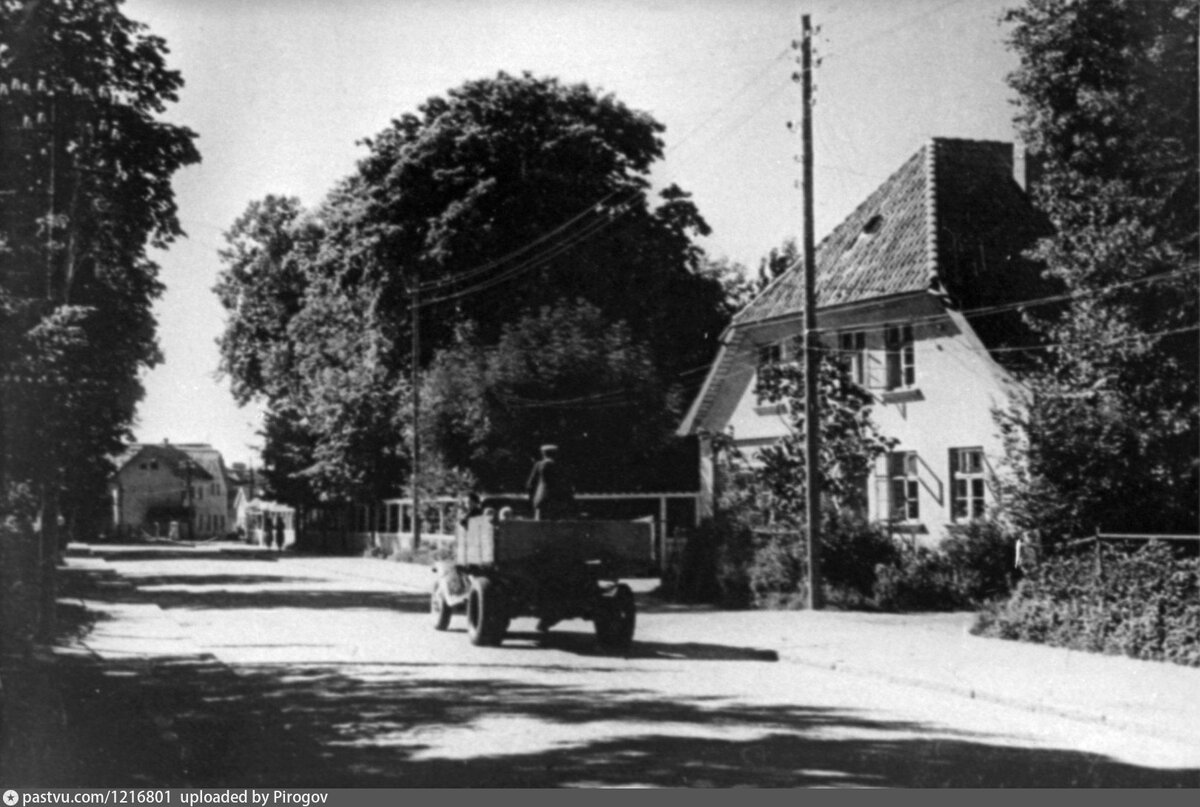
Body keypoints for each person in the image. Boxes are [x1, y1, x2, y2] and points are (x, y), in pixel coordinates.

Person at [526, 444, 575, 520]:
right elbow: (567, 484)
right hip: (558, 501)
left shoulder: (539, 465)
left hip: (541, 500)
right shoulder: (561, 466)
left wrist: (533, 497)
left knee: (539, 527)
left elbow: (530, 484)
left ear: (543, 453)